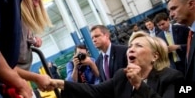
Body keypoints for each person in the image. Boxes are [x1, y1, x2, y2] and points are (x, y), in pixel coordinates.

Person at [49, 31, 184, 98]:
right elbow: (94, 90)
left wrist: (139, 85)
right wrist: (58, 83)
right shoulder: (122, 75)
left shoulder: (172, 77)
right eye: (130, 46)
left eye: (138, 45)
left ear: (155, 56)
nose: (130, 49)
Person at [15, 0, 53, 91]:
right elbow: (6, 66)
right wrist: (36, 78)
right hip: (10, 79)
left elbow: (26, 38)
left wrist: (35, 39)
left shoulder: (26, 21)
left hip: (20, 77)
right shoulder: (16, 18)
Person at [167, 0, 195, 82]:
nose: (171, 15)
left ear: (191, 4)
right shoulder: (191, 34)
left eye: (174, 8)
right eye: (169, 11)